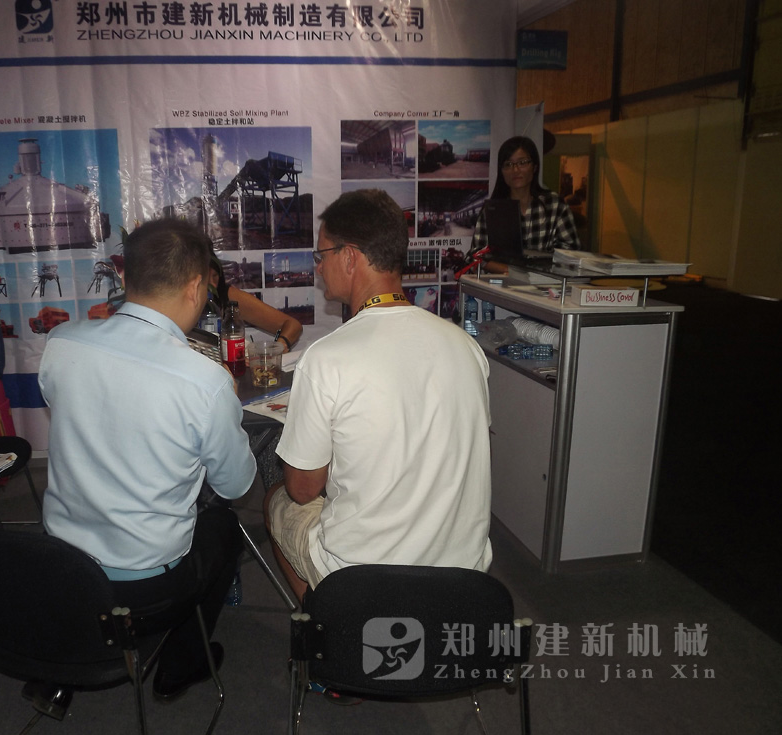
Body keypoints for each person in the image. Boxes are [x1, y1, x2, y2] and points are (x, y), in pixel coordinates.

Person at [38, 218, 257, 703]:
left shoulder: (62, 342)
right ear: (196, 287)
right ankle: (181, 664)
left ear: (125, 277)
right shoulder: (205, 381)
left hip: (61, 568)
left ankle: (74, 647)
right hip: (144, 590)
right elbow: (237, 485)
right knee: (223, 527)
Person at [264, 189, 493, 602]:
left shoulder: (326, 358)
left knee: (276, 499)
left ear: (350, 257)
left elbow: (303, 490)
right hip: (464, 575)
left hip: (361, 578)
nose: (318, 267)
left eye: (322, 255)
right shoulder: (466, 346)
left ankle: (329, 620)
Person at [471, 135, 580, 260]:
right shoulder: (493, 209)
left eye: (522, 162)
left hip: (545, 273)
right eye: (508, 164)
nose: (515, 170)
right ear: (501, 171)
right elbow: (476, 256)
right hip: (502, 273)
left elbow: (571, 252)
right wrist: (509, 270)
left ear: (535, 167)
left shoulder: (554, 204)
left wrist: (535, 266)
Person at [208, 253, 302, 353]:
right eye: (206, 278)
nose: (212, 284)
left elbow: (293, 325)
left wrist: (279, 346)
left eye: (215, 276)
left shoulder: (227, 295)